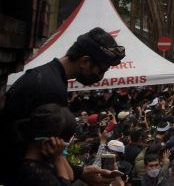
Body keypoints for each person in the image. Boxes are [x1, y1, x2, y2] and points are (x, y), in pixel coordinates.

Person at [1, 27, 125, 186]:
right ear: (85, 61)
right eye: (101, 70)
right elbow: (45, 150)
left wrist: (82, 173)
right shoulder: (51, 89)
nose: (100, 77)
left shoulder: (46, 75)